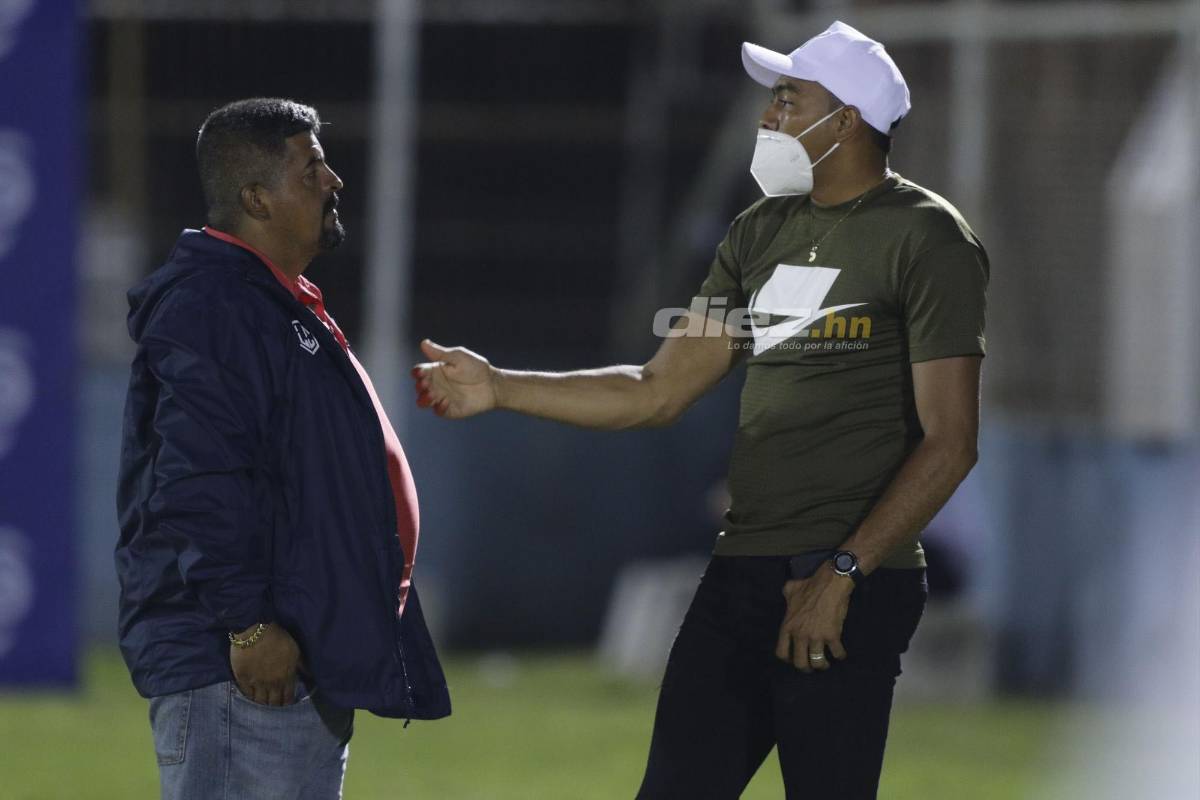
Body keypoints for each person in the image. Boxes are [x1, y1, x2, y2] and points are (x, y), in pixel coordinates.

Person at [413, 20, 987, 800]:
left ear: (846, 119)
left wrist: (845, 572)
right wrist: (501, 385)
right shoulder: (759, 231)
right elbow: (657, 390)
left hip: (851, 578)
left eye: (788, 98)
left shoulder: (926, 237)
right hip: (741, 569)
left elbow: (951, 442)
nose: (768, 116)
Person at [115, 98, 450, 799]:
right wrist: (248, 625)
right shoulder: (217, 305)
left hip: (288, 653)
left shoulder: (269, 300)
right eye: (311, 167)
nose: (333, 181)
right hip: (240, 664)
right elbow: (197, 477)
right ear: (256, 197)